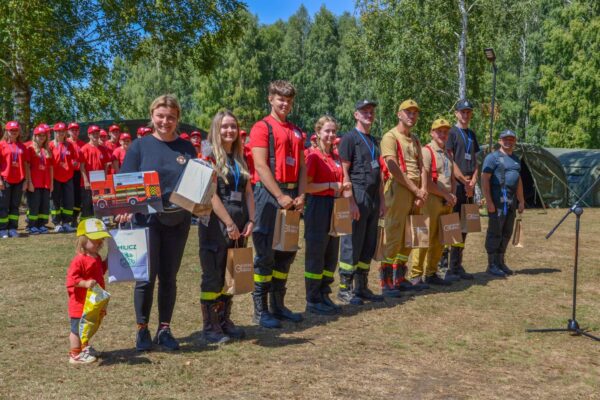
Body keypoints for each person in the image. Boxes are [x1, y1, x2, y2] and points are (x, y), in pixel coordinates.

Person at [117, 94, 197, 351]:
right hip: (147, 221)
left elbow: (194, 185)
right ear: (152, 116)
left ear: (178, 120)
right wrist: (125, 208)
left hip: (178, 220)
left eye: (171, 117)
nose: (165, 121)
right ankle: (142, 330)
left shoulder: (187, 148)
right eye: (161, 116)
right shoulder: (139, 147)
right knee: (145, 278)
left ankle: (165, 329)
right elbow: (124, 182)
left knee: (169, 277)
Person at [249, 80, 306, 328]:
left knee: (286, 252)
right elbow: (260, 166)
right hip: (269, 195)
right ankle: (260, 310)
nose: (285, 104)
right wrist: (280, 196)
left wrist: (301, 195)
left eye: (289, 101)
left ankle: (278, 305)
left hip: (292, 195)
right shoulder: (262, 127)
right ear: (270, 99)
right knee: (265, 253)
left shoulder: (296, 131)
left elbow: (303, 167)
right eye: (280, 99)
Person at [198, 110, 254, 343]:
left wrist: (251, 219)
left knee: (231, 271)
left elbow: (248, 191)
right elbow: (210, 194)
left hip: (240, 223)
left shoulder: (240, 157)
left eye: (233, 126)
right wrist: (229, 223)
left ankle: (224, 320)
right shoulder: (208, 155)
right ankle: (210, 326)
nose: (229, 131)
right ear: (216, 129)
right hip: (216, 224)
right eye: (224, 126)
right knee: (214, 273)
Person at [337, 99, 385, 304]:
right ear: (356, 114)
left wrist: (382, 200)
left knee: (369, 241)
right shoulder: (349, 138)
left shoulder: (374, 140)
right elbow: (343, 170)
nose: (369, 114)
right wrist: (351, 202)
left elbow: (380, 172)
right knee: (352, 241)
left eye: (371, 111)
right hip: (357, 193)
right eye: (364, 111)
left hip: (374, 196)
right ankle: (344, 288)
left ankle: (361, 286)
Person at [380, 99, 429, 293]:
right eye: (408, 112)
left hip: (417, 191)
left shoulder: (415, 139)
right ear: (399, 114)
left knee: (411, 235)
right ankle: (386, 282)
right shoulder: (390, 137)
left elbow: (422, 167)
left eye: (415, 112)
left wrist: (423, 190)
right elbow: (393, 167)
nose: (412, 115)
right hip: (400, 189)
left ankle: (400, 277)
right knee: (394, 233)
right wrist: (415, 190)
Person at [304, 116, 349, 315]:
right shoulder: (313, 156)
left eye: (333, 131)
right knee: (316, 253)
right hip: (318, 206)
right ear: (318, 133)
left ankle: (324, 294)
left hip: (335, 206)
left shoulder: (337, 157)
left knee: (331, 253)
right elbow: (306, 186)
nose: (330, 135)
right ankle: (312, 299)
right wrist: (331, 186)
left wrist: (345, 189)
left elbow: (343, 181)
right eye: (327, 131)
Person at [410, 119, 457, 285]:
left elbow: (452, 179)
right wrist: (446, 195)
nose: (443, 135)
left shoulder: (448, 154)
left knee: (441, 238)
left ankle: (431, 272)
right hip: (431, 200)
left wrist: (453, 195)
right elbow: (427, 182)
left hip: (446, 201)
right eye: (439, 131)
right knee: (423, 237)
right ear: (432, 132)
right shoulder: (427, 151)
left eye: (445, 132)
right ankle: (416, 275)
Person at [439, 100, 479, 280]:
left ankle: (457, 264)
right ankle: (445, 264)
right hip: (457, 185)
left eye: (468, 112)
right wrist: (464, 181)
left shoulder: (471, 134)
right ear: (456, 113)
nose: (466, 115)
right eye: (462, 112)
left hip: (469, 187)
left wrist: (473, 181)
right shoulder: (452, 133)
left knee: (466, 225)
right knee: (452, 224)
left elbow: (476, 161)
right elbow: (450, 160)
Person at [66, 218, 111, 364]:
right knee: (76, 329)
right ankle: (75, 355)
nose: (100, 242)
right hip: (80, 303)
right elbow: (72, 280)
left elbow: (100, 271)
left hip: (92, 302)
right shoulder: (79, 260)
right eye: (96, 239)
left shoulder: (96, 257)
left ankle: (84, 348)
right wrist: (85, 283)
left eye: (102, 239)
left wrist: (108, 262)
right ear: (83, 240)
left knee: (87, 326)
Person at [481, 130, 525, 277]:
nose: (508, 141)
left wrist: (521, 200)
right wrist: (489, 201)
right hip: (497, 202)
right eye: (505, 139)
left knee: (507, 232)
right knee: (495, 232)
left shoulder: (516, 159)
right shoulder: (492, 158)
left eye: (511, 139)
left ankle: (500, 261)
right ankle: (491, 264)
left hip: (511, 202)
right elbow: (485, 179)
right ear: (500, 141)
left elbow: (518, 180)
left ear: (515, 141)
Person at [80, 125, 116, 220]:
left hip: (100, 182)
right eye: (93, 134)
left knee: (100, 201)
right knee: (87, 203)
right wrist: (85, 181)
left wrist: (104, 179)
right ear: (89, 135)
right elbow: (82, 167)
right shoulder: (84, 149)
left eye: (97, 133)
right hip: (88, 182)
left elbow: (105, 166)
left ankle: (99, 221)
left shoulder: (103, 149)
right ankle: (86, 222)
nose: (96, 135)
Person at [0, 121, 30, 238]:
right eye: (11, 130)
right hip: (5, 180)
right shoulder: (1, 144)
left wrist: (26, 181)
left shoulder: (22, 146)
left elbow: (26, 165)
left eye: (16, 130)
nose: (13, 132)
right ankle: (2, 229)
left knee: (15, 206)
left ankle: (13, 228)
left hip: (19, 181)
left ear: (19, 132)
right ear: (7, 131)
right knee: (3, 206)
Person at [49, 123, 78, 233]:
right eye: (58, 131)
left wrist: (74, 162)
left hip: (68, 176)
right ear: (55, 133)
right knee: (55, 200)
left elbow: (74, 158)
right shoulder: (50, 145)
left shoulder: (69, 145)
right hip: (55, 177)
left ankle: (66, 223)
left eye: (63, 131)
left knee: (68, 201)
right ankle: (57, 224)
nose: (61, 133)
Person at [25, 125, 54, 234]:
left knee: (44, 205)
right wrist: (29, 182)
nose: (42, 137)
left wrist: (51, 183)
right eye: (39, 135)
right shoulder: (30, 148)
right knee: (34, 204)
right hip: (35, 183)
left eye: (44, 135)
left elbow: (51, 167)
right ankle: (31, 225)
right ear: (35, 136)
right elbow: (27, 166)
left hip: (45, 182)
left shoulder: (47, 149)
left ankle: (42, 224)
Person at [67, 122, 86, 227]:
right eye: (72, 130)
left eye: (76, 130)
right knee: (68, 197)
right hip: (67, 173)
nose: (74, 132)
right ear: (68, 131)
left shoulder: (82, 144)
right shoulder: (65, 142)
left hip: (79, 173)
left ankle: (74, 218)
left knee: (78, 197)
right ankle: (66, 219)